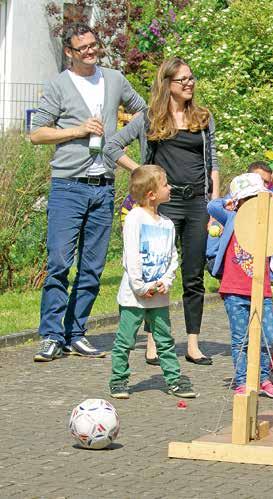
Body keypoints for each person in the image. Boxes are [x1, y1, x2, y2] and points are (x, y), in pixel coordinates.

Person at [30, 22, 147, 362]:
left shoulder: (114, 79)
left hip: (104, 186)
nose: (91, 52)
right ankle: (51, 335)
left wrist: (123, 138)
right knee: (59, 263)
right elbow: (36, 133)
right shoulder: (59, 86)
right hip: (69, 185)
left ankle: (76, 332)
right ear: (69, 52)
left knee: (92, 267)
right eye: (83, 48)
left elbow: (143, 111)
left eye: (94, 45)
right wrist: (77, 129)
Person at [106, 57, 220, 365]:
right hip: (164, 204)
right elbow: (112, 147)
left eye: (191, 78)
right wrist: (142, 170)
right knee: (158, 270)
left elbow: (213, 164)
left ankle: (193, 343)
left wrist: (215, 202)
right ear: (167, 84)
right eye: (182, 80)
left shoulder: (203, 118)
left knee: (193, 275)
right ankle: (154, 340)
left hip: (197, 202)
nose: (189, 84)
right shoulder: (149, 118)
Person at [108, 165, 197, 399]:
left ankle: (174, 380)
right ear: (151, 194)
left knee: (165, 340)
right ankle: (119, 380)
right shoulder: (135, 219)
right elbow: (131, 256)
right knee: (125, 340)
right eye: (165, 184)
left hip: (159, 296)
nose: (170, 188)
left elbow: (172, 256)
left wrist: (166, 281)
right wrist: (141, 287)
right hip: (134, 297)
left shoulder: (167, 223)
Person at [207, 173, 273, 398]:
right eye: (248, 199)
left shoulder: (268, 221)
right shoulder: (232, 217)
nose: (252, 204)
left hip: (263, 290)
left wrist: (272, 196)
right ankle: (242, 380)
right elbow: (212, 206)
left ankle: (263, 378)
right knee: (241, 338)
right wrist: (230, 201)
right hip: (234, 290)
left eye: (256, 199)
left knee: (267, 337)